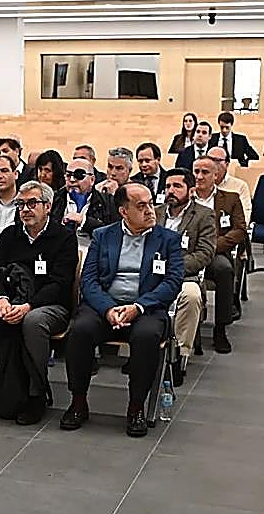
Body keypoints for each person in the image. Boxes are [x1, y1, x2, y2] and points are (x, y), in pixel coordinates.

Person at [60, 182, 184, 438]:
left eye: (151, 204)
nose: (150, 211)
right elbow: (89, 281)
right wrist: (108, 309)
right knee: (80, 331)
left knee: (147, 337)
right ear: (123, 211)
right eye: (141, 206)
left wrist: (138, 307)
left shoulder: (168, 240)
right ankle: (78, 401)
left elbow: (172, 283)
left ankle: (136, 407)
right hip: (105, 306)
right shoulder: (103, 235)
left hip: (145, 308)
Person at [0, 180, 77, 425]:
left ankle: (36, 394)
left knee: (32, 322)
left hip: (50, 305)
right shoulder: (10, 235)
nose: (25, 210)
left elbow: (60, 283)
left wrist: (28, 305)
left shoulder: (63, 237)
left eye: (32, 203)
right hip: (12, 299)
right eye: (21, 204)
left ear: (48, 207)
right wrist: (1, 300)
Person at [157, 168, 216, 383]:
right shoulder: (154, 212)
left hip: (185, 275)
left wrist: (172, 268)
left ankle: (178, 356)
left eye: (177, 186)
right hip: (152, 273)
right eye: (167, 186)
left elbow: (204, 254)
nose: (170, 191)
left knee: (191, 296)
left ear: (191, 191)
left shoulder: (204, 215)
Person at [192, 154, 247, 354]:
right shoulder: (185, 197)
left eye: (205, 172)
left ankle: (221, 328)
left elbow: (239, 230)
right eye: (196, 171)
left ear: (215, 175)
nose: (199, 176)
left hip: (216, 251)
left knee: (225, 270)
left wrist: (211, 246)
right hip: (188, 251)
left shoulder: (230, 199)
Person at [50, 157, 114, 238]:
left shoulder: (108, 203)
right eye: (68, 175)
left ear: (92, 180)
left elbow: (112, 234)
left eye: (79, 175)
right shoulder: (54, 200)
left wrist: (84, 221)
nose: (72, 180)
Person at [209, 146, 253, 221]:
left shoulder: (240, 186)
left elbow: (245, 216)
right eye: (209, 160)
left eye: (217, 161)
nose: (212, 164)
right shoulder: (198, 184)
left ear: (227, 164)